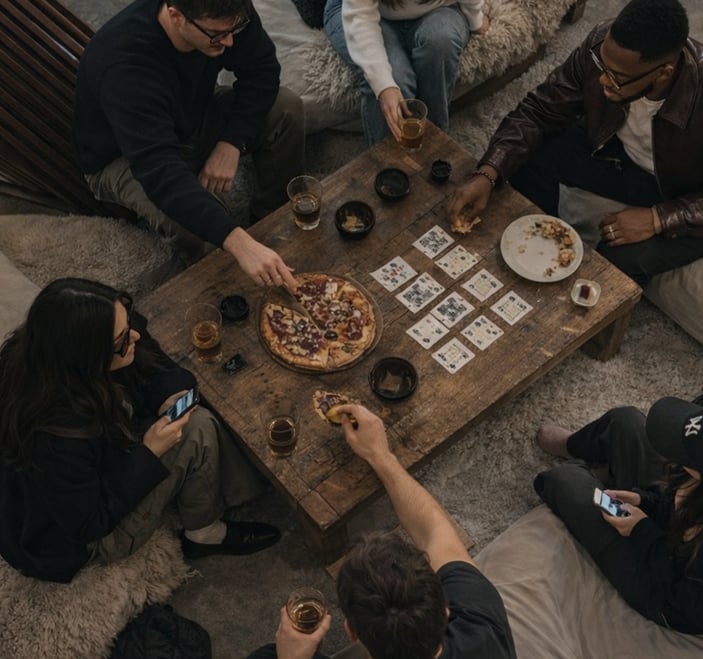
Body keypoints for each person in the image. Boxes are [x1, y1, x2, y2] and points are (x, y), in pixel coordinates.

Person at [448, 0, 703, 285]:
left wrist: (659, 219)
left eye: (616, 76)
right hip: (616, 159)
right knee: (520, 164)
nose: (602, 79)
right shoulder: (601, 45)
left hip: (685, 195)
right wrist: (487, 173)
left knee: (618, 263)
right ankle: (540, 246)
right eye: (602, 66)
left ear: (662, 74)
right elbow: (539, 110)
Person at [0, 278, 280, 584]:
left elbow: (151, 354)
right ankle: (204, 532)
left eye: (127, 321)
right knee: (198, 427)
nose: (133, 334)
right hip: (77, 538)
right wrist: (149, 454)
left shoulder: (52, 346)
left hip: (92, 465)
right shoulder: (57, 440)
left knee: (188, 408)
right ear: (89, 360)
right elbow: (89, 524)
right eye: (121, 339)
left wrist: (166, 396)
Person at [247, 404, 516, 659]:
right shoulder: (482, 624)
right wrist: (380, 455)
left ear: (352, 633)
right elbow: (433, 529)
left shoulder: (480, 613)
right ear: (445, 612)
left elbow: (433, 530)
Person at [73, 0, 304, 290]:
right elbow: (159, 172)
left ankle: (270, 225)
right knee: (201, 225)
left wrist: (231, 141)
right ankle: (233, 288)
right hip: (122, 156)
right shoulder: (124, 66)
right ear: (176, 16)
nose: (230, 41)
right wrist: (236, 241)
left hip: (192, 113)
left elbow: (263, 70)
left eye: (235, 30)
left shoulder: (228, 14)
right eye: (217, 36)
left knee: (286, 108)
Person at [534, 391, 703, 643]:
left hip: (666, 590)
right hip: (680, 528)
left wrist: (641, 530)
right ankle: (575, 446)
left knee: (566, 480)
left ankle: (593, 469)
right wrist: (646, 501)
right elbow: (671, 502)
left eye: (686, 456)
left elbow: (685, 598)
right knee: (624, 420)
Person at [323, 0, 490, 145]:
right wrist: (384, 85)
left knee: (440, 43)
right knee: (396, 80)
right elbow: (360, 18)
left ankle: (433, 145)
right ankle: (390, 168)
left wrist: (475, 18)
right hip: (361, 12)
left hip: (437, 9)